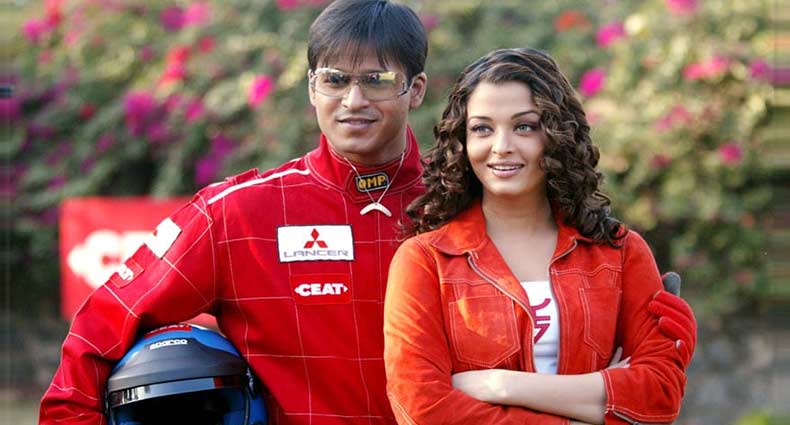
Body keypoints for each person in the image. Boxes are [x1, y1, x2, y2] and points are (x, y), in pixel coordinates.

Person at [40, 1, 694, 423]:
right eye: (335, 79)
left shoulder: (477, 200)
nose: (353, 100)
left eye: (376, 80)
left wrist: (641, 346)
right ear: (311, 88)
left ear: (415, 89)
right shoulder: (235, 214)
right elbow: (96, 337)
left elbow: (608, 328)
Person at [383, 48, 690, 425]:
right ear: (462, 141)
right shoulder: (425, 260)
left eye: (525, 126)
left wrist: (501, 385)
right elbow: (423, 408)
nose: (502, 146)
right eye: (482, 129)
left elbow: (658, 396)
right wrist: (594, 403)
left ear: (557, 135)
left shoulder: (620, 250)